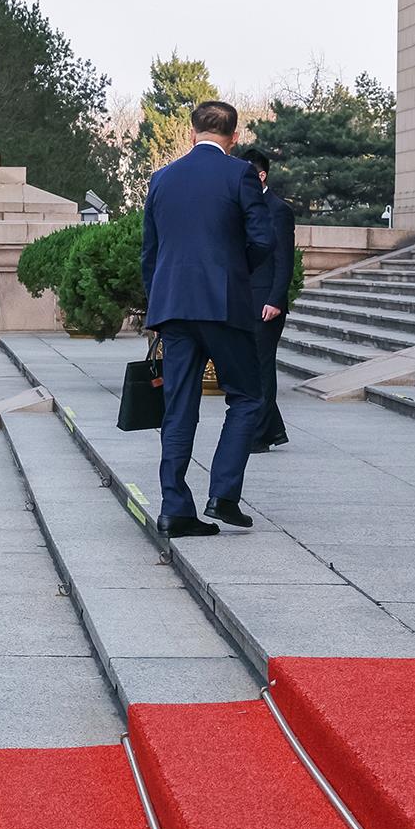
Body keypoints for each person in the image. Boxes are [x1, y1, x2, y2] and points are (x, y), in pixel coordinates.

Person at [142, 100, 278, 539]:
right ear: (234, 137)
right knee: (247, 396)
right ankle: (222, 495)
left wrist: (157, 303)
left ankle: (174, 509)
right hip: (223, 304)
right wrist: (234, 272)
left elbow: (150, 252)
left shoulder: (161, 178)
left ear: (191, 132)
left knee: (178, 407)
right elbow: (263, 239)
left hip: (173, 307)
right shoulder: (240, 174)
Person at [238, 148, 296, 452]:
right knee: (247, 366)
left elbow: (284, 261)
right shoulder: (242, 206)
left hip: (266, 303)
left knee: (261, 367)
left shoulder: (278, 210)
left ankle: (258, 436)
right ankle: (273, 428)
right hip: (243, 299)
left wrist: (275, 300)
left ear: (261, 175)